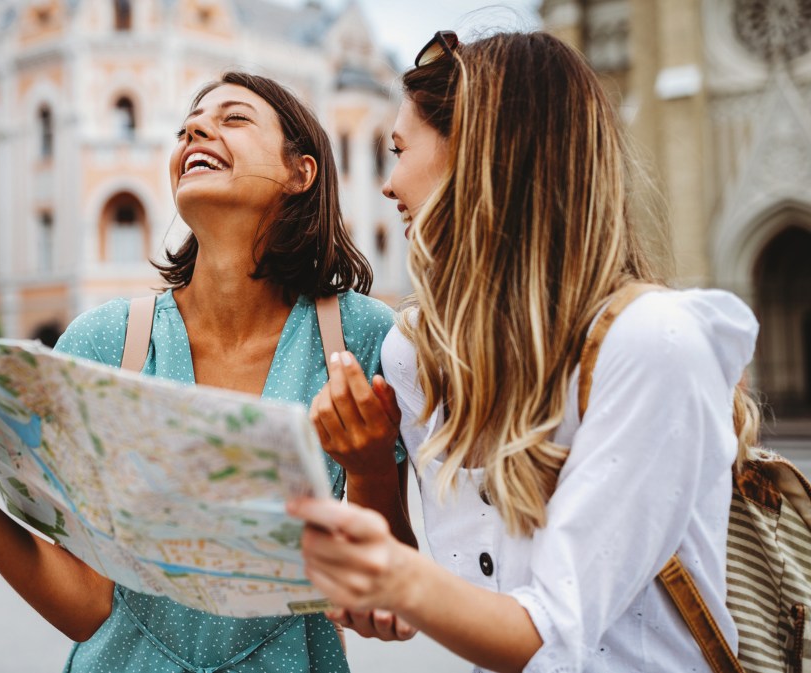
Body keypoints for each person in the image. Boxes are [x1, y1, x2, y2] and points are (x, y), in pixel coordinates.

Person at [0, 71, 412, 672]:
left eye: (233, 118)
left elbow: (390, 598)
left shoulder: (362, 338)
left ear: (301, 172)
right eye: (187, 126)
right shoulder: (102, 341)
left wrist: (372, 464)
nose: (195, 128)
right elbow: (87, 606)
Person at [287, 31, 760, 672]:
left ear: (483, 155)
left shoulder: (651, 342)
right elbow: (402, 614)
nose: (388, 184)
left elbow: (552, 635)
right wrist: (369, 471)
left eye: (400, 150)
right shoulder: (414, 353)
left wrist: (390, 573)